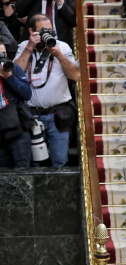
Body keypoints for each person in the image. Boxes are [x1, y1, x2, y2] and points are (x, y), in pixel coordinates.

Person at [14, 14, 80, 167]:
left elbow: (75, 75)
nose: (47, 34)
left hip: (58, 116)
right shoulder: (24, 46)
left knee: (60, 161)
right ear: (31, 31)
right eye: (43, 30)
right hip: (32, 116)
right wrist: (29, 47)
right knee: (36, 163)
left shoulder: (62, 47)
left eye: (50, 30)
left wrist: (58, 55)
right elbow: (15, 74)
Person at [0, 41, 32, 168]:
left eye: (4, 53)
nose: (2, 57)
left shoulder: (14, 68)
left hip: (17, 131)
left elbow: (27, 94)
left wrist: (9, 77)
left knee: (23, 173)